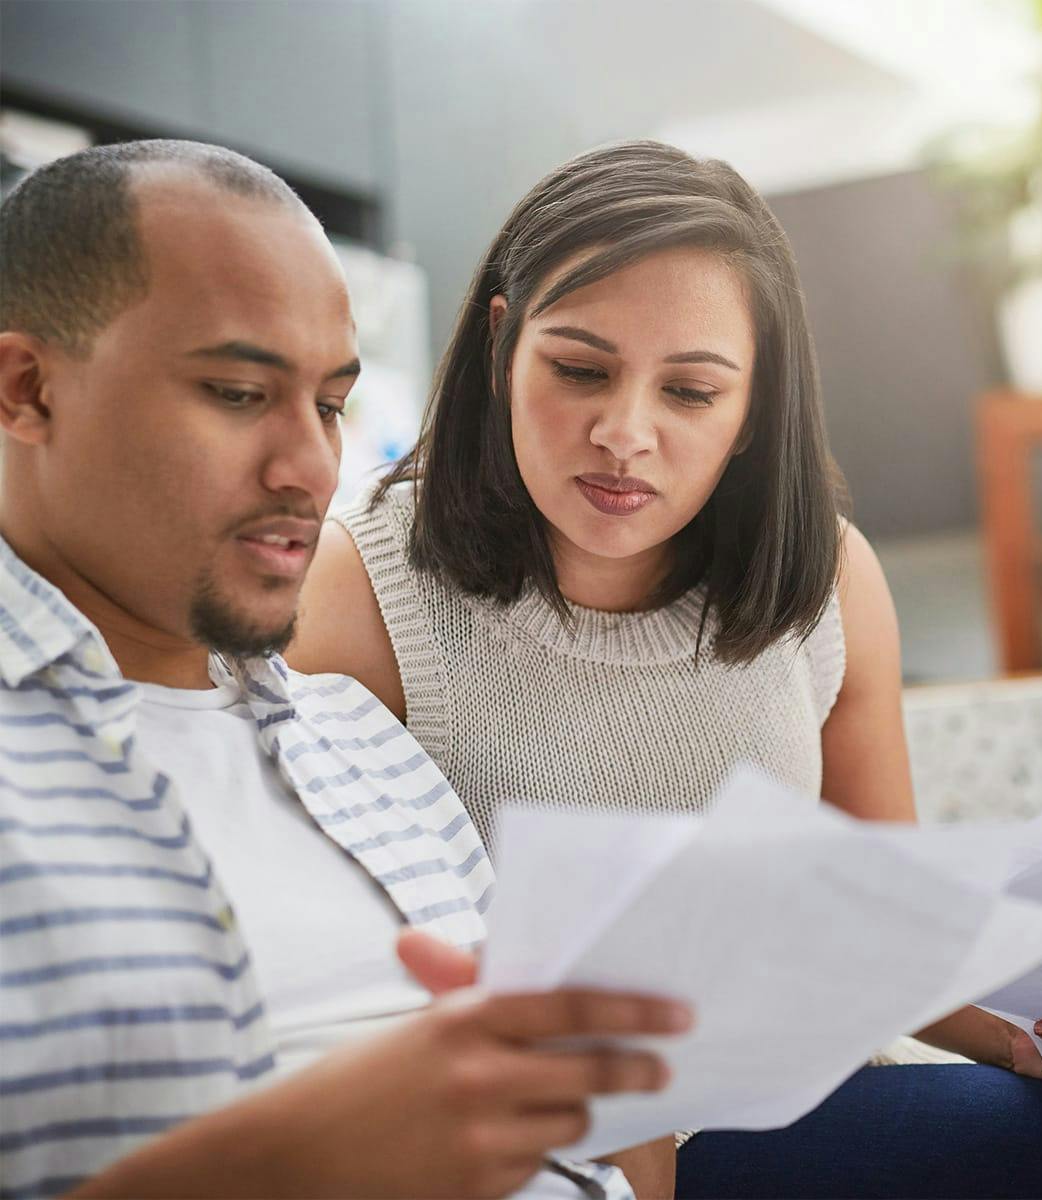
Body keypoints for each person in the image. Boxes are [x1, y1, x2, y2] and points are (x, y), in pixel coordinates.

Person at [291, 139, 1042, 1197]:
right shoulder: (353, 594)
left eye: (691, 392)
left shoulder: (825, 582)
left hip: (773, 1117)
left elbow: (875, 936)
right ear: (503, 345)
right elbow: (314, 987)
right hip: (515, 1139)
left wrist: (1029, 1030)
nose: (624, 433)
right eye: (580, 370)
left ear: (752, 409)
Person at [0, 139, 695, 1200]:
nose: (310, 466)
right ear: (27, 389)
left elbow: (589, 1145)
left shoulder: (366, 745)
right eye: (237, 393)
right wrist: (283, 1167)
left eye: (329, 405)